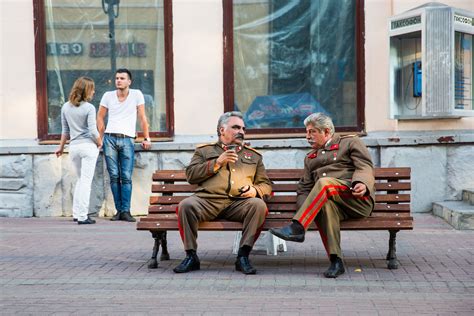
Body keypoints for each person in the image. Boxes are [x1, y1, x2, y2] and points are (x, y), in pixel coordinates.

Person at [269, 113, 375, 278]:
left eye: (312, 132)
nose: (308, 136)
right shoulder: (310, 157)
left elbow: (365, 166)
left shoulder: (349, 142)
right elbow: (304, 188)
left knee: (324, 183)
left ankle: (298, 228)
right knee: (325, 206)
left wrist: (361, 183)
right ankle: (336, 261)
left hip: (355, 198)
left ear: (326, 132)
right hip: (334, 204)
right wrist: (307, 210)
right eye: (307, 132)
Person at [174, 111, 272, 275]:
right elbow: (191, 175)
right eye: (235, 127)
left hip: (238, 203)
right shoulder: (204, 152)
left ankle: (243, 256)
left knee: (258, 205)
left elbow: (266, 185)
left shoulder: (254, 156)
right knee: (186, 205)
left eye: (243, 128)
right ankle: (191, 256)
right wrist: (217, 162)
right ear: (222, 130)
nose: (241, 131)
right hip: (207, 201)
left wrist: (254, 190)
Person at [97, 68, 152, 222]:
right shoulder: (108, 96)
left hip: (128, 139)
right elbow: (100, 117)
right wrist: (100, 138)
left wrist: (147, 137)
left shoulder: (136, 94)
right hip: (110, 139)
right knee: (114, 176)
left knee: (126, 176)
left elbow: (142, 117)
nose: (118, 81)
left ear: (129, 81)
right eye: (117, 78)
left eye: (122, 78)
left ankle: (126, 211)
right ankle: (118, 211)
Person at [55, 77, 102, 225]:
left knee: (81, 180)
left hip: (74, 148)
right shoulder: (89, 107)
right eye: (92, 88)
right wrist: (100, 142)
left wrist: (61, 148)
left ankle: (76, 213)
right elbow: (93, 131)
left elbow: (65, 131)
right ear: (86, 90)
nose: (94, 91)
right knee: (86, 182)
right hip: (88, 147)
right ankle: (82, 216)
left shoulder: (65, 107)